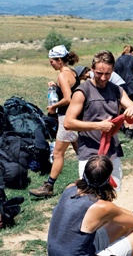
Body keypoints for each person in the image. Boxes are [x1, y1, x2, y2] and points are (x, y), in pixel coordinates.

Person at [47, 155, 133, 256]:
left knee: (125, 225)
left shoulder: (71, 188)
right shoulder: (102, 207)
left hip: (62, 251)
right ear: (108, 179)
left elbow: (119, 213)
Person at [64, 50, 133, 191]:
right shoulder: (82, 91)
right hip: (89, 153)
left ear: (113, 70)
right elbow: (68, 123)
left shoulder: (117, 90)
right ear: (92, 68)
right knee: (89, 198)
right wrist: (98, 126)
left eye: (108, 73)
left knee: (113, 194)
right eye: (99, 73)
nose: (103, 77)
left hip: (112, 153)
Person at [30, 45, 81, 198]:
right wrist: (55, 87)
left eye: (52, 61)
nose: (50, 64)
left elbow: (68, 98)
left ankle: (49, 186)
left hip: (67, 118)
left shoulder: (62, 75)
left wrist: (53, 107)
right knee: (81, 152)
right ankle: (93, 179)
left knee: (58, 153)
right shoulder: (72, 73)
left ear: (59, 60)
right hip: (76, 116)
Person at [114, 45, 133, 139]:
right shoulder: (132, 59)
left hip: (120, 87)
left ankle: (126, 128)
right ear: (132, 51)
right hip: (131, 87)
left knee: (123, 109)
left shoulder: (118, 60)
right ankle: (131, 130)